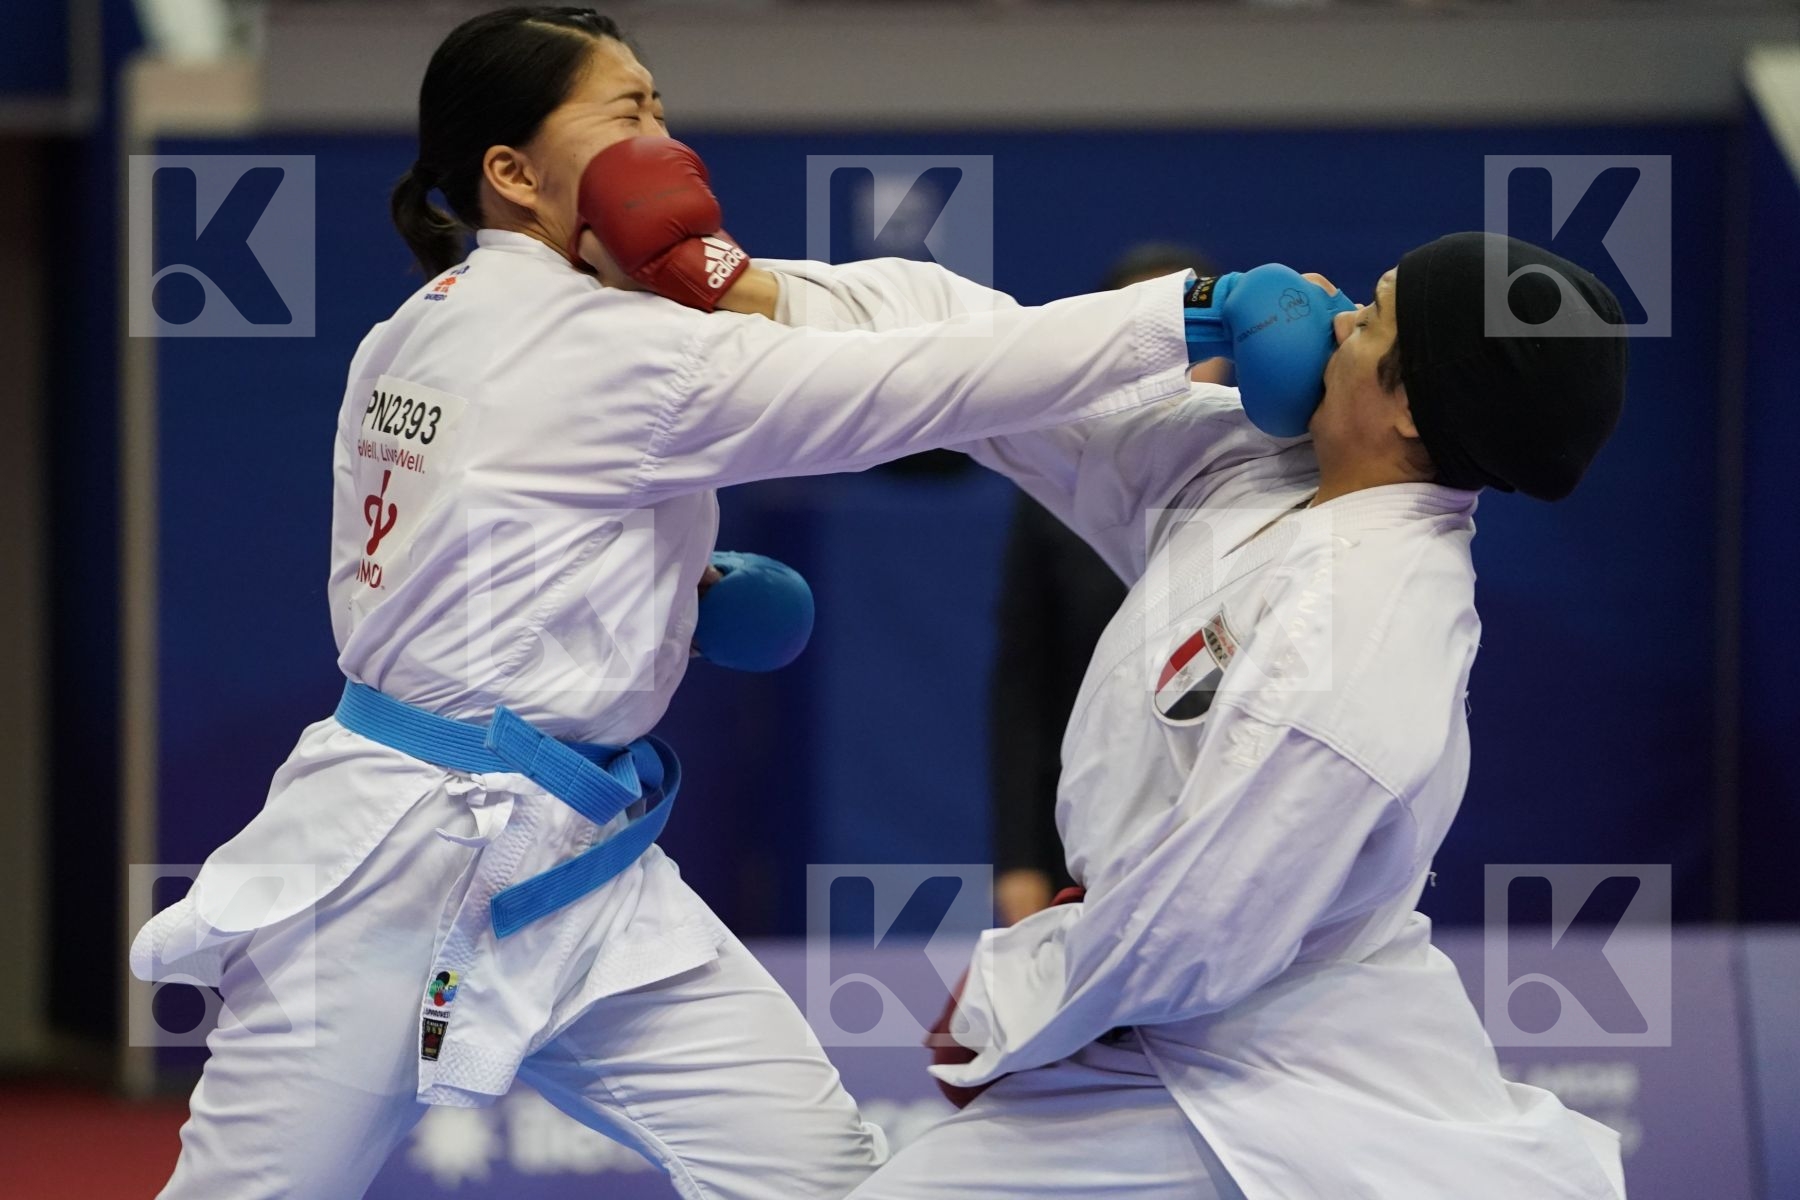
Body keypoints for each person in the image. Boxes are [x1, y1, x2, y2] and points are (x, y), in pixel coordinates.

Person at [127, 8, 1208, 1199]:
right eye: (629, 110)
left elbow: (474, 533)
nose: (665, 134)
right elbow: (914, 384)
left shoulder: (416, 327)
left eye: (661, 104)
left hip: (576, 860)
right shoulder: (603, 346)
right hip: (398, 857)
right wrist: (1178, 318)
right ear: (513, 173)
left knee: (818, 1177)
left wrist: (669, 590)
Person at [766, 232, 1631, 1198]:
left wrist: (1014, 1000)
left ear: (1412, 407)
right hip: (1156, 1040)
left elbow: (1198, 929)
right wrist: (753, 295)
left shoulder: (1367, 634)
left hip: (1280, 1089)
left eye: (1369, 317)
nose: (1331, 311)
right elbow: (1010, 375)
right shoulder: (1258, 473)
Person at [990, 244, 1229, 925]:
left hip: (1231, 825)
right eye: (1154, 339)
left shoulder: (1286, 485)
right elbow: (1024, 693)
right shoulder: (1056, 495)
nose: (1179, 360)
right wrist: (1019, 862)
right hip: (1089, 834)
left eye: (1198, 335)